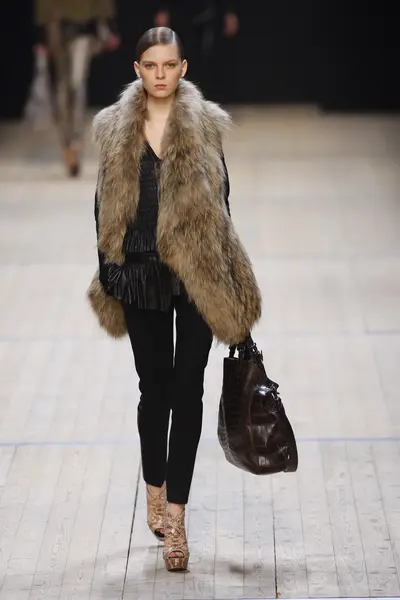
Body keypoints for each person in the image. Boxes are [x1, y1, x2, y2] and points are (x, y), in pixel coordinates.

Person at [87, 27, 261, 572]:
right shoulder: (115, 127)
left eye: (169, 65)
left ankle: (177, 519)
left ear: (182, 68)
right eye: (150, 66)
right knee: (154, 388)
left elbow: (224, 206)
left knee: (189, 391)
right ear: (137, 70)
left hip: (196, 272)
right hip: (139, 271)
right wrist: (107, 267)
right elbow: (102, 203)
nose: (160, 75)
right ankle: (154, 487)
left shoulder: (207, 125)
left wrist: (231, 288)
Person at [33, 0, 120, 176]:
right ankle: (68, 144)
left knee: (76, 83)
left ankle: (75, 140)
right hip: (57, 27)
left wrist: (107, 22)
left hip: (82, 27)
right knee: (64, 89)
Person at [153, 1, 239, 96]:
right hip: (179, 14)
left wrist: (229, 12)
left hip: (206, 14)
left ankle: (201, 97)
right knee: (180, 55)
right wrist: (162, 9)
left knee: (205, 57)